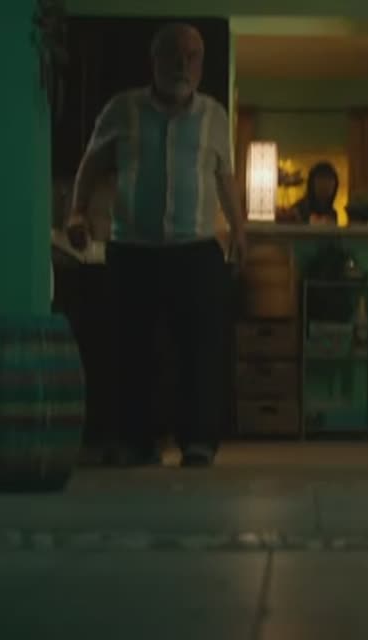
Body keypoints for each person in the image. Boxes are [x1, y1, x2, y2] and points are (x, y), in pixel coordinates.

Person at [67, 22, 245, 468]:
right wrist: (77, 213)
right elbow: (91, 164)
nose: (182, 65)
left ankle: (198, 441)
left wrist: (240, 230)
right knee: (132, 349)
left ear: (201, 65)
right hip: (134, 248)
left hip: (196, 247)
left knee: (200, 351)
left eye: (192, 57)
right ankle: (136, 442)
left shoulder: (214, 116)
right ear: (155, 60)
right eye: (173, 55)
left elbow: (225, 178)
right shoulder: (121, 109)